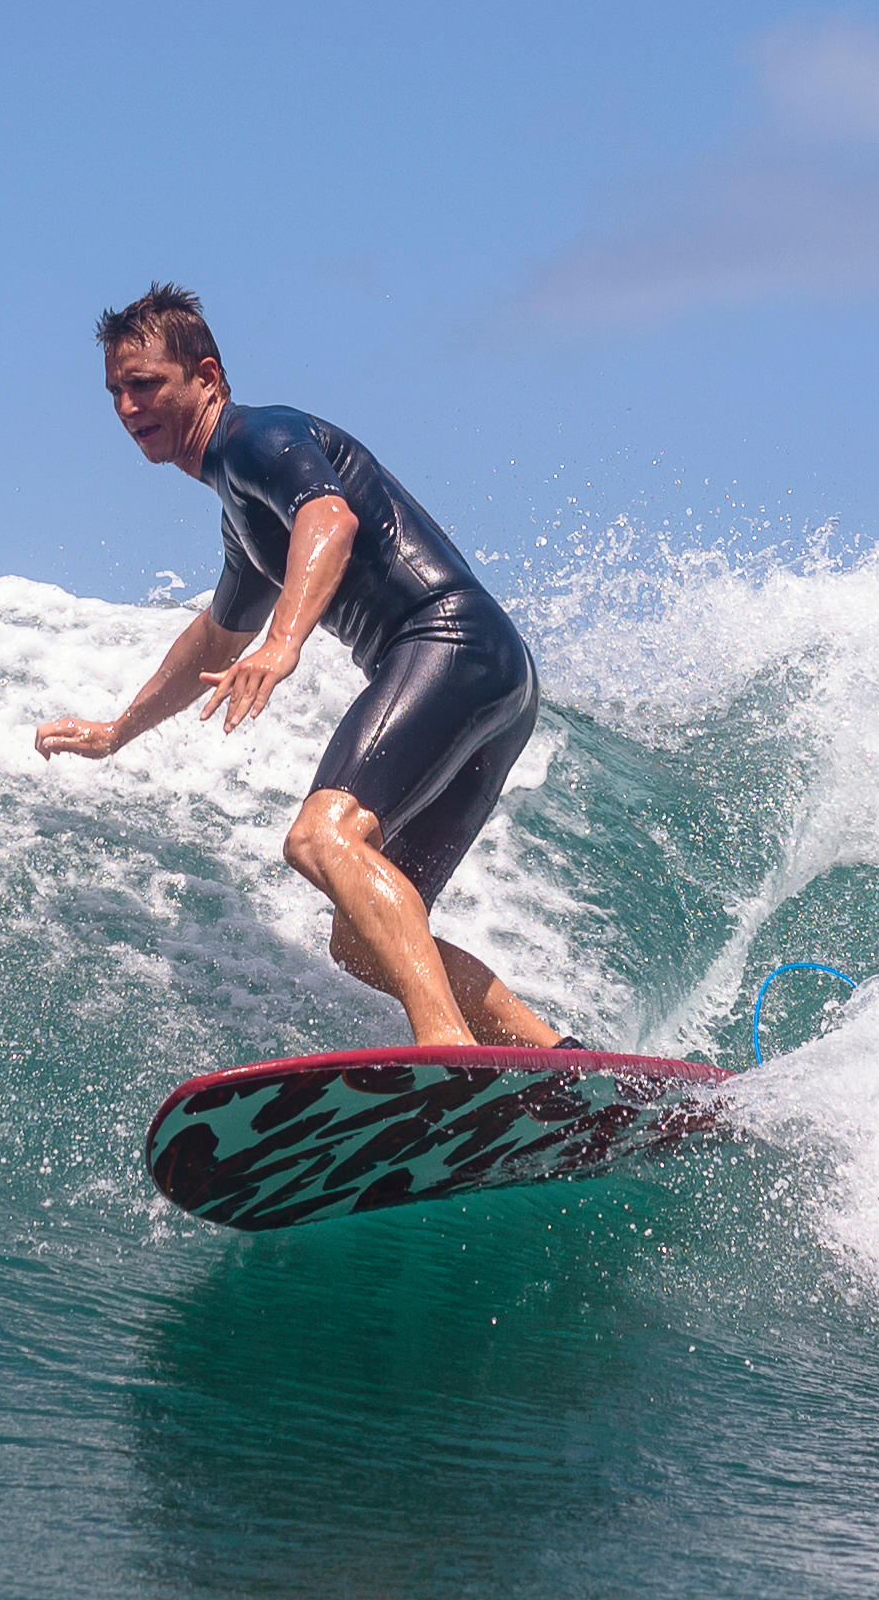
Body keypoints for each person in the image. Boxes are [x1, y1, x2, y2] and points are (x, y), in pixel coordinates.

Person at [33, 283, 572, 1052]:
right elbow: (215, 639)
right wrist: (120, 729)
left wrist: (284, 643)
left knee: (321, 838)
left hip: (448, 642)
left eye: (145, 383)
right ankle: (553, 1058)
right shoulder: (243, 509)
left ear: (206, 375)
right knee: (360, 941)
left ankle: (447, 1047)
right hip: (495, 676)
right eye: (115, 390)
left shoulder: (258, 440)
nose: (126, 406)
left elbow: (330, 517)